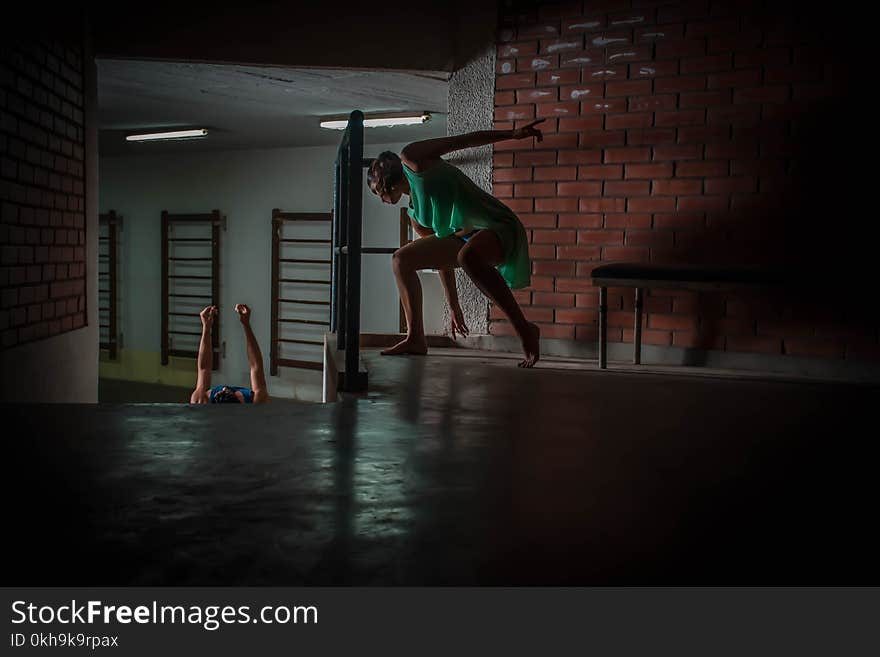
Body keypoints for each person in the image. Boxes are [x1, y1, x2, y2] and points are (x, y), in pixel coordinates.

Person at [367, 119, 544, 367]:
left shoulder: (413, 158)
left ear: (382, 183)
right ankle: (415, 338)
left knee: (467, 256)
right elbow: (441, 261)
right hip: (464, 239)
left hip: (495, 225)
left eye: (376, 192)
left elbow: (459, 141)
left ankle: (524, 329)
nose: (381, 199)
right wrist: (453, 305)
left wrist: (512, 134)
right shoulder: (415, 215)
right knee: (400, 260)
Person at [190, 304, 269, 404]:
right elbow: (256, 365)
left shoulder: (200, 400)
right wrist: (246, 325)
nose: (223, 388)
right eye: (226, 391)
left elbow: (204, 368)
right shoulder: (258, 400)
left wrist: (206, 327)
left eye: (220, 392)